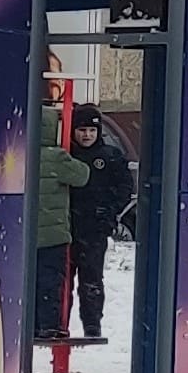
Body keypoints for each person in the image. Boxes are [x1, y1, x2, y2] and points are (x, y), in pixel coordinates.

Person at [52, 101, 137, 349]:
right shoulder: (66, 156)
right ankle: (57, 324)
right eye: (81, 130)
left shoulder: (110, 157)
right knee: (60, 280)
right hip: (65, 228)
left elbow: (124, 189)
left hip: (94, 229)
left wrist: (108, 215)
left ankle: (92, 326)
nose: (87, 135)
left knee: (91, 280)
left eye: (91, 130)